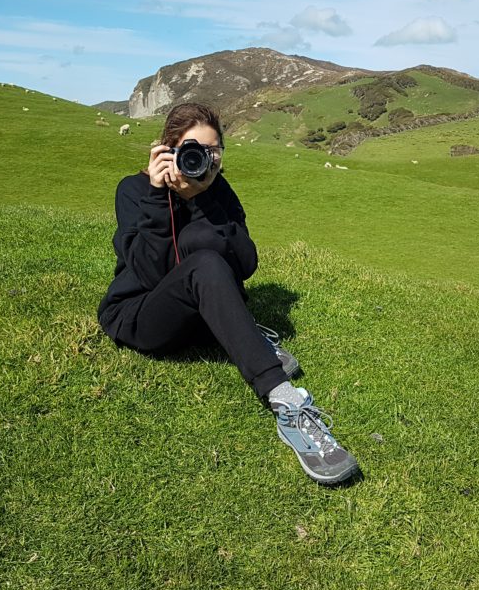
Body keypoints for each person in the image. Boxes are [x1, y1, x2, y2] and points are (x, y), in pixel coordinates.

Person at [98, 102, 360, 486]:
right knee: (204, 262)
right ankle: (287, 403)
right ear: (168, 149)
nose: (204, 158)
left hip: (195, 317)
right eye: (194, 149)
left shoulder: (217, 189)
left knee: (207, 249)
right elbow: (150, 273)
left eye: (213, 150)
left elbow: (246, 262)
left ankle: (243, 336)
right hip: (141, 315)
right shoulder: (134, 189)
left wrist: (202, 198)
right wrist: (159, 195)